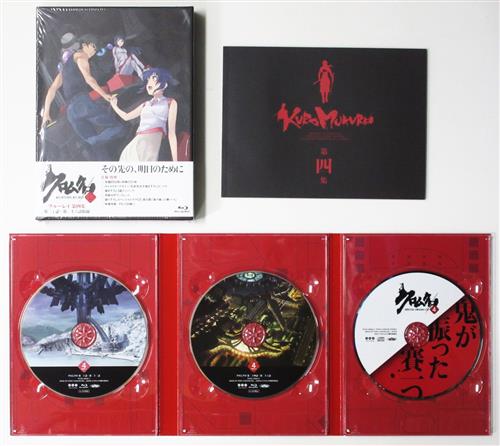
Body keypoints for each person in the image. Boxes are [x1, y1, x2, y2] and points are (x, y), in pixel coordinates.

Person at [41, 34, 126, 160]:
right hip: (82, 104)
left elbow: (52, 89)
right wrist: (105, 95)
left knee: (97, 149)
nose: (94, 51)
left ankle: (94, 144)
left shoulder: (65, 68)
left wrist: (46, 114)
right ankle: (93, 141)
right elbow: (88, 79)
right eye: (93, 47)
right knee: (119, 128)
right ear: (85, 45)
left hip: (71, 112)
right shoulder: (81, 56)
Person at [110, 67, 178, 161]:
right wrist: (114, 105)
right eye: (148, 80)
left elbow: (172, 134)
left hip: (151, 146)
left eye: (154, 79)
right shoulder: (145, 104)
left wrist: (176, 161)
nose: (149, 83)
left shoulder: (170, 102)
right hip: (135, 145)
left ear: (165, 84)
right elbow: (126, 117)